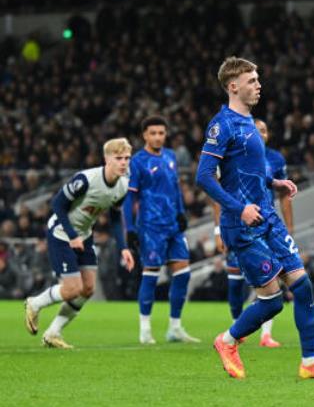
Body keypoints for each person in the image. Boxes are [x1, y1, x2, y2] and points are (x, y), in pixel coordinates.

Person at [196, 56, 314, 380]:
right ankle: (227, 340)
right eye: (252, 80)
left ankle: (310, 363)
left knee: (303, 286)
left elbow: (244, 172)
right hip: (243, 225)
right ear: (233, 86)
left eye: (258, 79)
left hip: (268, 218)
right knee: (273, 302)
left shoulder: (250, 122)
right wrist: (239, 209)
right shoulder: (222, 125)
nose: (259, 85)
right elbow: (205, 177)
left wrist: (271, 182)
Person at [23, 138, 136, 348]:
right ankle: (34, 303)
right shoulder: (86, 179)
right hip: (61, 233)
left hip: (83, 235)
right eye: (118, 158)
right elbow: (57, 204)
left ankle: (53, 333)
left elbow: (114, 217)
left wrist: (123, 248)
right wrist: (72, 234)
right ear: (106, 159)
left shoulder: (123, 185)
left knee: (88, 288)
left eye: (127, 158)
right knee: (72, 289)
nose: (123, 162)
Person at [211, 118, 292, 348]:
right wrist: (218, 230)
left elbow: (284, 196)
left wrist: (288, 228)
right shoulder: (232, 157)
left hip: (265, 227)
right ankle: (237, 328)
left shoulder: (275, 159)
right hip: (237, 226)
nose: (261, 134)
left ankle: (266, 334)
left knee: (272, 279)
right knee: (236, 282)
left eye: (265, 131)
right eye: (257, 130)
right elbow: (216, 195)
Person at [123, 115, 199, 345]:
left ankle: (175, 327)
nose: (158, 137)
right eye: (153, 133)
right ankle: (145, 329)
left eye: (161, 133)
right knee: (152, 274)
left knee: (183, 273)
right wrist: (130, 228)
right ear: (145, 135)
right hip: (150, 226)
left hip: (173, 225)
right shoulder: (137, 162)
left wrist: (181, 212)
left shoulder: (170, 156)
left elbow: (175, 189)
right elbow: (129, 197)